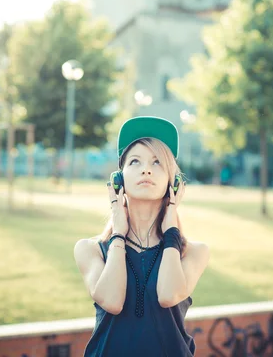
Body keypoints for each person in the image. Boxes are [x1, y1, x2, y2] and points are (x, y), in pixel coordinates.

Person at [74, 116, 210, 357]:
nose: (146, 169)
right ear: (118, 180)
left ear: (174, 183)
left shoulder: (194, 252)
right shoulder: (90, 249)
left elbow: (168, 295)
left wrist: (171, 232)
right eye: (135, 161)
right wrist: (118, 233)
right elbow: (112, 301)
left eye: (157, 162)